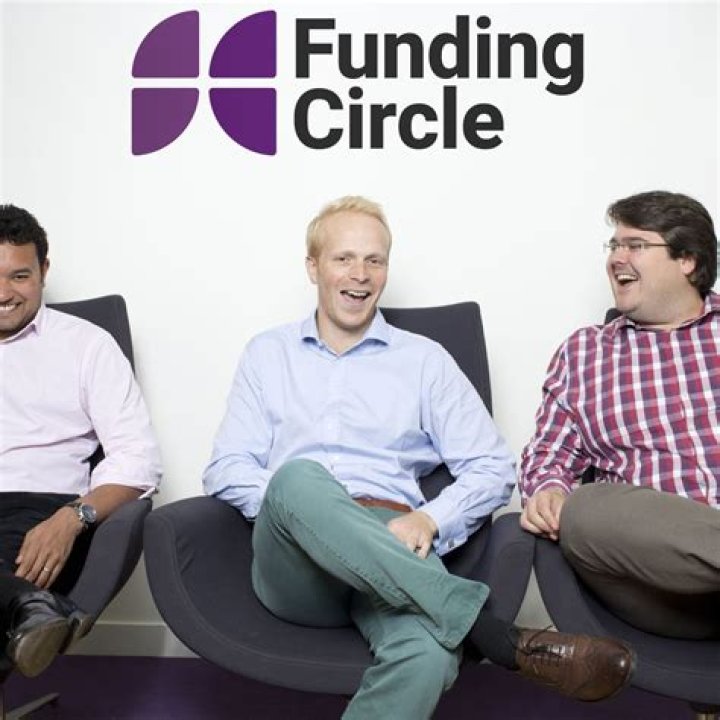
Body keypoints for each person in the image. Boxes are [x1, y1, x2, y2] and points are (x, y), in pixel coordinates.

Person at [203, 195, 634, 719]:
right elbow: (227, 468)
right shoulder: (267, 353)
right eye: (343, 258)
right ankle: (493, 635)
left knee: (428, 655)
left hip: (394, 541)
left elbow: (492, 467)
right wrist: (306, 512)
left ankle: (473, 630)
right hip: (296, 562)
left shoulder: (425, 361)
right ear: (313, 267)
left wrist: (430, 518)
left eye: (375, 260)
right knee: (298, 479)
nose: (360, 274)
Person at [520, 190, 719, 640]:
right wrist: (548, 490)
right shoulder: (585, 353)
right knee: (586, 508)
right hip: (661, 591)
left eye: (635, 245)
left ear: (687, 259)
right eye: (614, 245)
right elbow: (548, 456)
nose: (616, 258)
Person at [0, 204, 162, 677]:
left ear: (44, 271)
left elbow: (138, 457)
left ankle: (31, 607)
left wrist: (73, 518)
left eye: (19, 276)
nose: (4, 293)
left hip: (37, 510)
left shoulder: (87, 345)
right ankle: (34, 610)